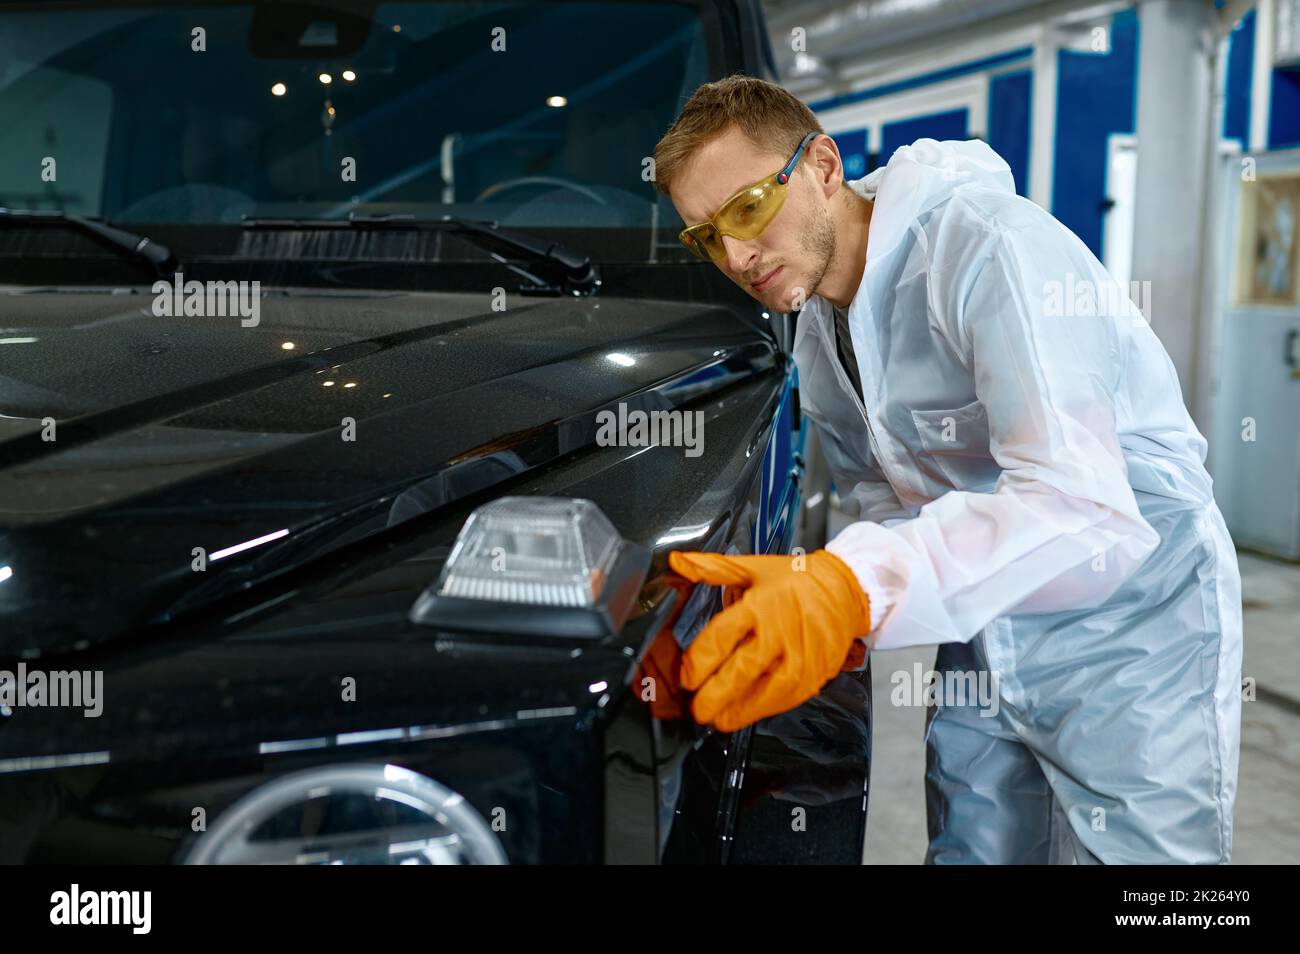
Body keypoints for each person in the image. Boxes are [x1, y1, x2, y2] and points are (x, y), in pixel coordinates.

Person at [650, 74, 1242, 864]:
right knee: (973, 850)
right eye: (705, 236)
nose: (735, 253)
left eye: (748, 208)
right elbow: (891, 504)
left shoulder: (988, 249)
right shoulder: (823, 332)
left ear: (823, 165)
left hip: (1133, 626)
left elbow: (1080, 506)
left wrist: (853, 588)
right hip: (985, 629)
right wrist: (806, 601)